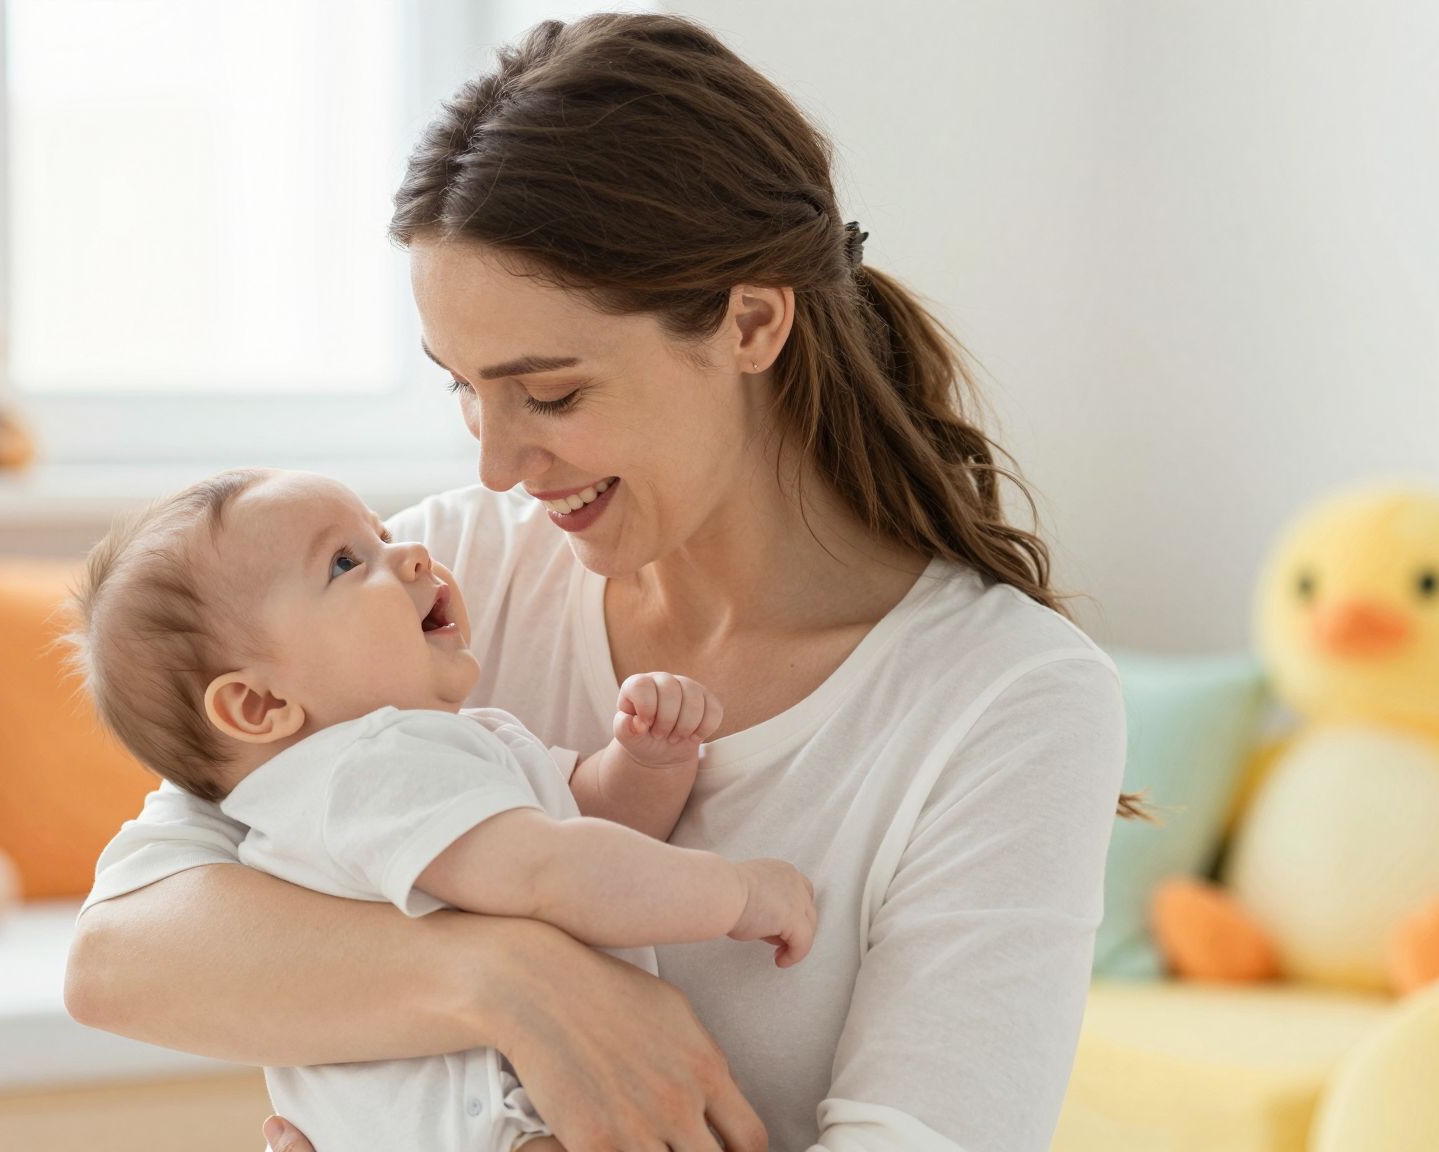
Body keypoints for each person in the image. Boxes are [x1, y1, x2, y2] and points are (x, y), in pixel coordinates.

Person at [65, 13, 1132, 1151]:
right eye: (462, 389)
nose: (495, 463)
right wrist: (514, 979)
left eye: (552, 395)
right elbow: (122, 954)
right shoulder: (437, 586)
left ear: (752, 321)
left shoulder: (1005, 700)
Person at [61, 467, 817, 1152]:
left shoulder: (382, 772)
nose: (414, 555)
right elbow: (556, 870)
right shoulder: (371, 767)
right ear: (259, 704)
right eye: (345, 564)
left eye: (382, 533)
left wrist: (647, 762)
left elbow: (582, 823)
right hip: (503, 1126)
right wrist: (736, 893)